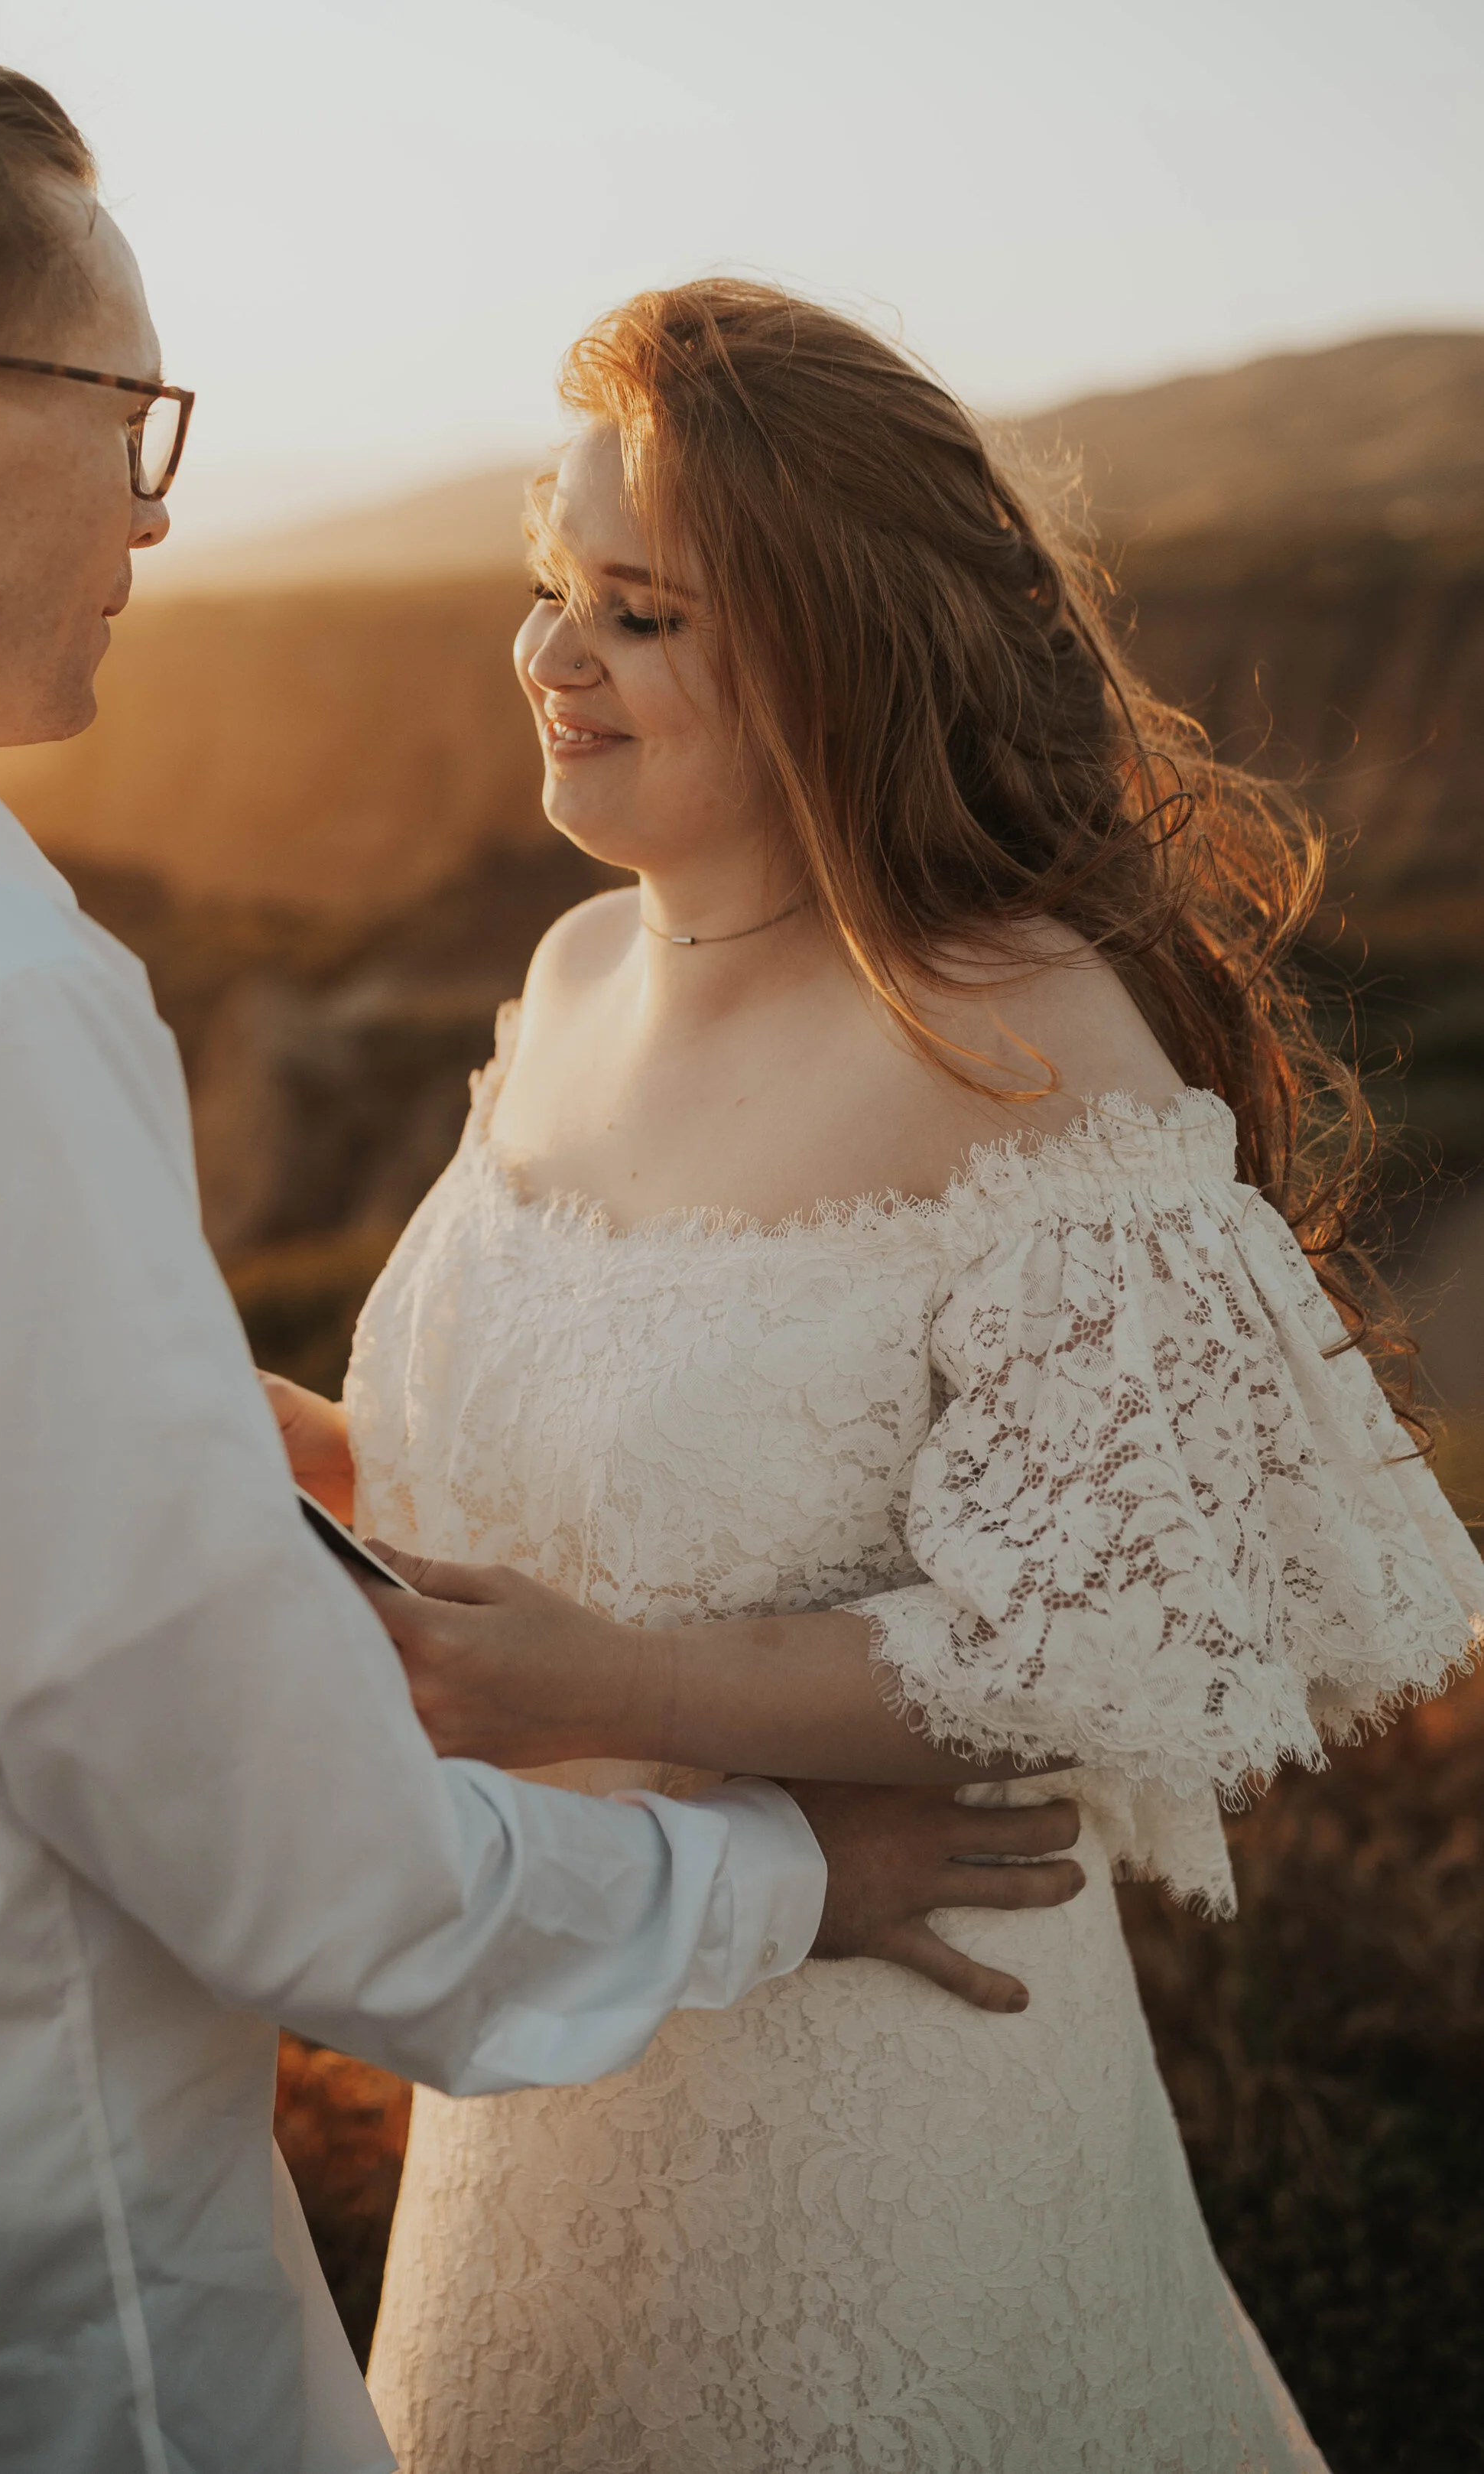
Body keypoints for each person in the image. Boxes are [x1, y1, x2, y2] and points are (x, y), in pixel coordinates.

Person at [0, 50, 1095, 2474]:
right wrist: (772, 1875)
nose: (153, 507)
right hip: (8, 2322)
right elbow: (304, 1879)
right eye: (127, 416)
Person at [265, 281, 1484, 2469]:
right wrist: (325, 1466)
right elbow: (586, 1485)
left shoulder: (1020, 1035)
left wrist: (595, 1690)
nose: (550, 652)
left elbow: (1118, 1623)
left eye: (639, 611)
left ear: (841, 649)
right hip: (558, 2065)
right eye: (552, 582)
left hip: (876, 2096)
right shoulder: (569, 972)